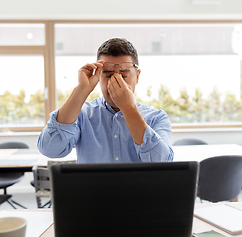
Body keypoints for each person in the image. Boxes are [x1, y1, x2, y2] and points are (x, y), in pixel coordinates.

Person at [37, 38, 174, 163]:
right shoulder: (82, 114)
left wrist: (128, 108)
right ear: (98, 77)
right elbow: (50, 149)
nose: (116, 80)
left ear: (137, 77)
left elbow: (163, 163)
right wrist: (81, 89)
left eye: (124, 74)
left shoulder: (157, 118)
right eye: (108, 74)